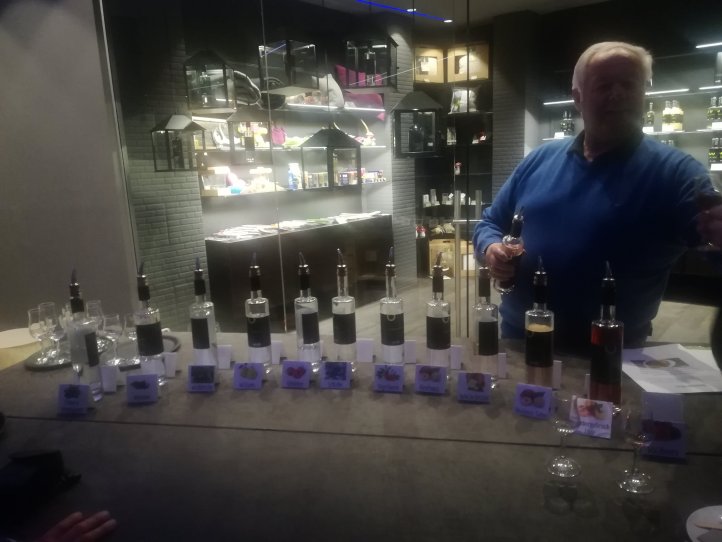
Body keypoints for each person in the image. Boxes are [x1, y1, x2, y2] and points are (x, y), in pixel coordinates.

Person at [473, 41, 721, 352]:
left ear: (644, 91)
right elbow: (489, 224)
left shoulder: (678, 173)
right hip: (518, 343)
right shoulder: (539, 159)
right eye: (604, 85)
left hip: (611, 355)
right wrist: (491, 249)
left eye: (629, 84)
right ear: (577, 97)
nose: (617, 94)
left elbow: (715, 243)